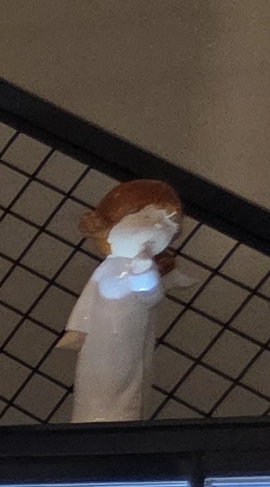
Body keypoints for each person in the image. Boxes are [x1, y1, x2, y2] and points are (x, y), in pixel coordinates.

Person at [61, 178, 187, 422]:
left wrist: (143, 272)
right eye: (147, 219)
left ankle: (122, 416)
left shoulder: (143, 267)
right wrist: (77, 329)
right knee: (93, 377)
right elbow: (88, 299)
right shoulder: (107, 268)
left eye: (166, 225)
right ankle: (89, 415)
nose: (157, 228)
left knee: (125, 378)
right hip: (99, 336)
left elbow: (150, 295)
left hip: (130, 334)